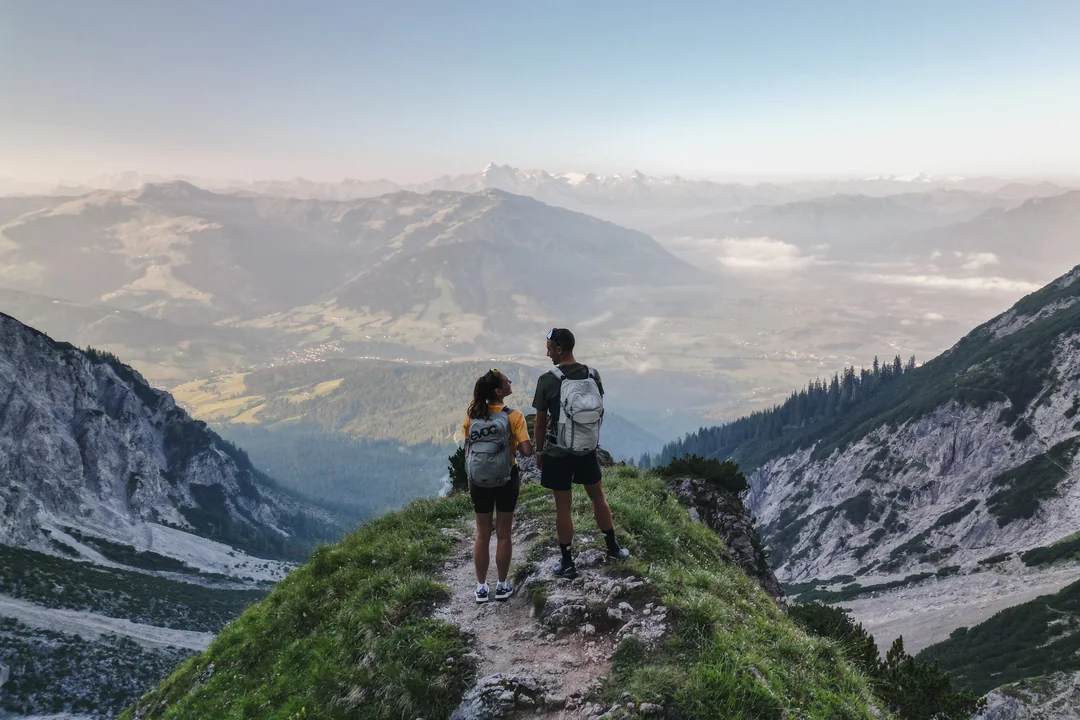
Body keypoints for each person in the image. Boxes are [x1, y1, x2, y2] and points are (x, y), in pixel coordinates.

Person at [532, 328, 629, 580]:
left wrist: (539, 451)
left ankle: (567, 562)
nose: (547, 352)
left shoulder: (548, 379)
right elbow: (598, 411)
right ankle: (612, 548)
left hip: (558, 450)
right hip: (586, 448)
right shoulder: (593, 374)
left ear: (560, 349)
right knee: (598, 496)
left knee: (563, 507)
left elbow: (540, 423)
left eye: (549, 348)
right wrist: (591, 440)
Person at [463, 369, 533, 603]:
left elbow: (469, 449)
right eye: (506, 381)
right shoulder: (514, 416)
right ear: (498, 391)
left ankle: (481, 588)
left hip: (479, 480)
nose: (510, 382)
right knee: (504, 534)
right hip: (506, 478)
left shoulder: (472, 416)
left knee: (482, 535)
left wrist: (470, 478)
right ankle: (502, 586)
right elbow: (525, 450)